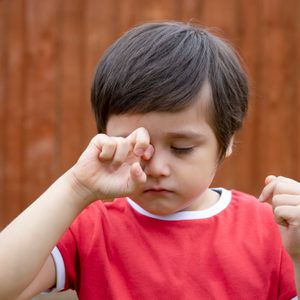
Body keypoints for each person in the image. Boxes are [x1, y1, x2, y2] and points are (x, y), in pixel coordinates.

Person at [0, 21, 299, 300]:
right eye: (135, 147)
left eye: (181, 148)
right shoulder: (93, 226)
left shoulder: (271, 228)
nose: (156, 168)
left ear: (228, 139)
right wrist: (75, 186)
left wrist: (298, 257)